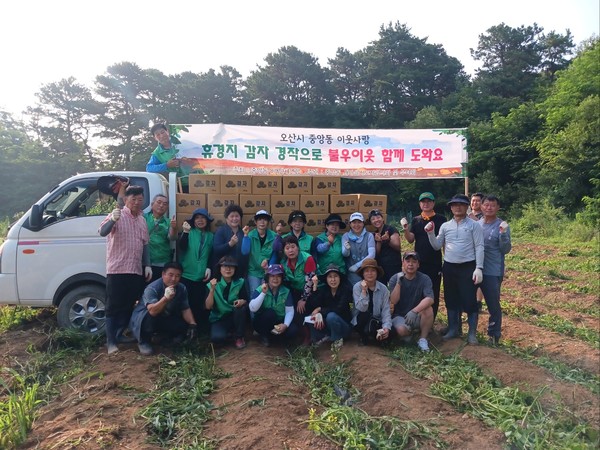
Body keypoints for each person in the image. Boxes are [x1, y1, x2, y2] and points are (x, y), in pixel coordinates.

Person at [98, 185, 151, 355]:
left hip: (135, 269)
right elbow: (102, 232)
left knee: (129, 305)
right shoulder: (118, 215)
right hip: (117, 269)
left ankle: (120, 334)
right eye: (133, 199)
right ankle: (111, 342)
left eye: (140, 199)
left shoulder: (142, 220)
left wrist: (147, 264)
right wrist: (112, 219)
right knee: (113, 306)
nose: (137, 202)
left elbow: (145, 245)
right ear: (126, 200)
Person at [425, 194, 484, 345]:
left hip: (468, 266)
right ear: (451, 208)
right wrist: (430, 233)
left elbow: (479, 246)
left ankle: (472, 333)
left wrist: (479, 267)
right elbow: (437, 246)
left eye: (461, 204)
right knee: (451, 299)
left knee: (470, 300)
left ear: (466, 207)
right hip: (449, 266)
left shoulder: (474, 225)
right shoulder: (446, 226)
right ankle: (453, 329)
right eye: (455, 205)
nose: (458, 207)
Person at [129, 262, 197, 356]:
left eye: (177, 276)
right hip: (143, 319)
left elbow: (185, 308)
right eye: (170, 275)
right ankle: (143, 341)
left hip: (163, 316)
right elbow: (152, 311)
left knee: (182, 325)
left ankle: (159, 337)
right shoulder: (152, 288)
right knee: (150, 317)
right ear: (163, 274)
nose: (174, 279)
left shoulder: (181, 288)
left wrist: (192, 324)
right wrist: (166, 298)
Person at [402, 192, 446, 320]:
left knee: (433, 292)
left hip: (434, 262)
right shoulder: (416, 220)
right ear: (420, 204)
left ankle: (431, 320)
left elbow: (444, 241)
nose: (425, 204)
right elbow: (410, 239)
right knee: (418, 290)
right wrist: (405, 229)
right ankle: (418, 319)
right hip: (418, 262)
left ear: (433, 203)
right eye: (423, 202)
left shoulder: (441, 219)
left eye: (428, 201)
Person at [478, 195, 512, 345]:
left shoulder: (502, 225)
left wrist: (503, 234)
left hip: (492, 271)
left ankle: (494, 334)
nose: (489, 208)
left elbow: (505, 249)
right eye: (486, 205)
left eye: (492, 205)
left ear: (498, 208)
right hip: (475, 269)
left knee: (493, 304)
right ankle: (470, 330)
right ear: (481, 206)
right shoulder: (477, 224)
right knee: (470, 301)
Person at [389, 251, 434, 352]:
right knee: (401, 331)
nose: (410, 264)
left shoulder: (424, 279)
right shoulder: (395, 278)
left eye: (414, 262)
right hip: (399, 316)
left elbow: (430, 299)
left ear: (418, 264)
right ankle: (412, 334)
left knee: (428, 309)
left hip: (417, 314)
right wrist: (398, 283)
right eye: (407, 261)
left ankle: (422, 339)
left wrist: (414, 311)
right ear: (403, 263)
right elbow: (393, 301)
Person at [178, 208, 214, 330]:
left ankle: (198, 330)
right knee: (185, 303)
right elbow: (182, 247)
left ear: (207, 221)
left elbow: (212, 254)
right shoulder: (189, 232)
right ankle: (184, 328)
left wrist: (209, 267)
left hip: (201, 277)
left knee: (199, 303)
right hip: (186, 274)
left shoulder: (210, 236)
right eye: (197, 218)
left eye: (203, 218)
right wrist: (186, 232)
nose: (200, 220)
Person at [305, 264, 353, 350]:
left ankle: (337, 339)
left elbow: (339, 309)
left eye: (335, 276)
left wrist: (320, 310)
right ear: (326, 279)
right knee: (311, 317)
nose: (333, 280)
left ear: (340, 278)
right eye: (330, 277)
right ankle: (319, 339)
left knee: (331, 316)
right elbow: (314, 304)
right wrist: (315, 286)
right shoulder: (325, 289)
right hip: (328, 325)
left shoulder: (346, 290)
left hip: (344, 326)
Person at [249, 264, 298, 347]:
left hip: (279, 321)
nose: (275, 279)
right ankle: (264, 336)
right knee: (270, 313)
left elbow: (289, 311)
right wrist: (263, 293)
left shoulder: (286, 291)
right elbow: (252, 308)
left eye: (278, 276)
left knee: (293, 329)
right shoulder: (260, 289)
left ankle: (277, 339)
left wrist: (285, 325)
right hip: (262, 322)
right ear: (267, 278)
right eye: (272, 276)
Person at [205, 256, 248, 349]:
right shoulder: (212, 284)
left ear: (235, 269)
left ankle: (239, 336)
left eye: (231, 267)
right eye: (225, 266)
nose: (228, 269)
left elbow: (245, 299)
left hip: (234, 315)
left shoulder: (240, 282)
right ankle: (229, 333)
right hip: (219, 318)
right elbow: (208, 306)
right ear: (219, 268)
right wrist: (212, 290)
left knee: (241, 309)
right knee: (217, 338)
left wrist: (242, 301)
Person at [352, 258, 392, 345]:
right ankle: (363, 337)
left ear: (377, 273)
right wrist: (363, 291)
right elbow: (361, 308)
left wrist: (386, 327)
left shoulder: (383, 288)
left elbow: (386, 310)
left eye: (373, 270)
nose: (370, 273)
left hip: (377, 320)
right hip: (361, 320)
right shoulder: (357, 287)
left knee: (392, 332)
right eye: (366, 271)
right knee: (363, 315)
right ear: (363, 273)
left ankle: (376, 337)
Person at [241, 210, 277, 296]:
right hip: (253, 272)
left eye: (265, 219)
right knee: (254, 295)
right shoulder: (250, 235)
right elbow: (244, 252)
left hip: (268, 272)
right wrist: (245, 236)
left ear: (268, 222)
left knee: (267, 294)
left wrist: (269, 265)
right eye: (260, 219)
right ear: (255, 222)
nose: (262, 222)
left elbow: (275, 253)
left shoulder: (274, 236)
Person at [145, 194, 177, 282]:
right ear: (152, 204)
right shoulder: (143, 218)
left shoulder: (168, 222)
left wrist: (174, 228)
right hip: (145, 261)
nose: (161, 205)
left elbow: (172, 238)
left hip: (162, 262)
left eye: (165, 204)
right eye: (159, 202)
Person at [213, 204, 248, 277]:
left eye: (237, 216)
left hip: (239, 271)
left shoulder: (243, 233)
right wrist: (230, 244)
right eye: (232, 216)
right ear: (226, 218)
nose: (234, 219)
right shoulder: (221, 231)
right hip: (224, 272)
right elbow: (216, 250)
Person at [368, 209, 402, 285]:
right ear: (371, 222)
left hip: (393, 265)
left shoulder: (390, 229)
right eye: (373, 219)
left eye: (378, 217)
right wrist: (379, 242)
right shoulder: (374, 234)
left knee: (395, 286)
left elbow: (398, 246)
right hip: (381, 267)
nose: (376, 220)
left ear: (383, 218)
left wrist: (388, 240)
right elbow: (377, 253)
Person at [342, 212, 376, 286]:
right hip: (351, 273)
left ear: (363, 223)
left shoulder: (369, 236)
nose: (356, 225)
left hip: (366, 272)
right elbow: (345, 254)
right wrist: (346, 249)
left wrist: (357, 265)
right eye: (354, 222)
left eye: (359, 222)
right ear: (350, 224)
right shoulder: (346, 236)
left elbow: (372, 254)